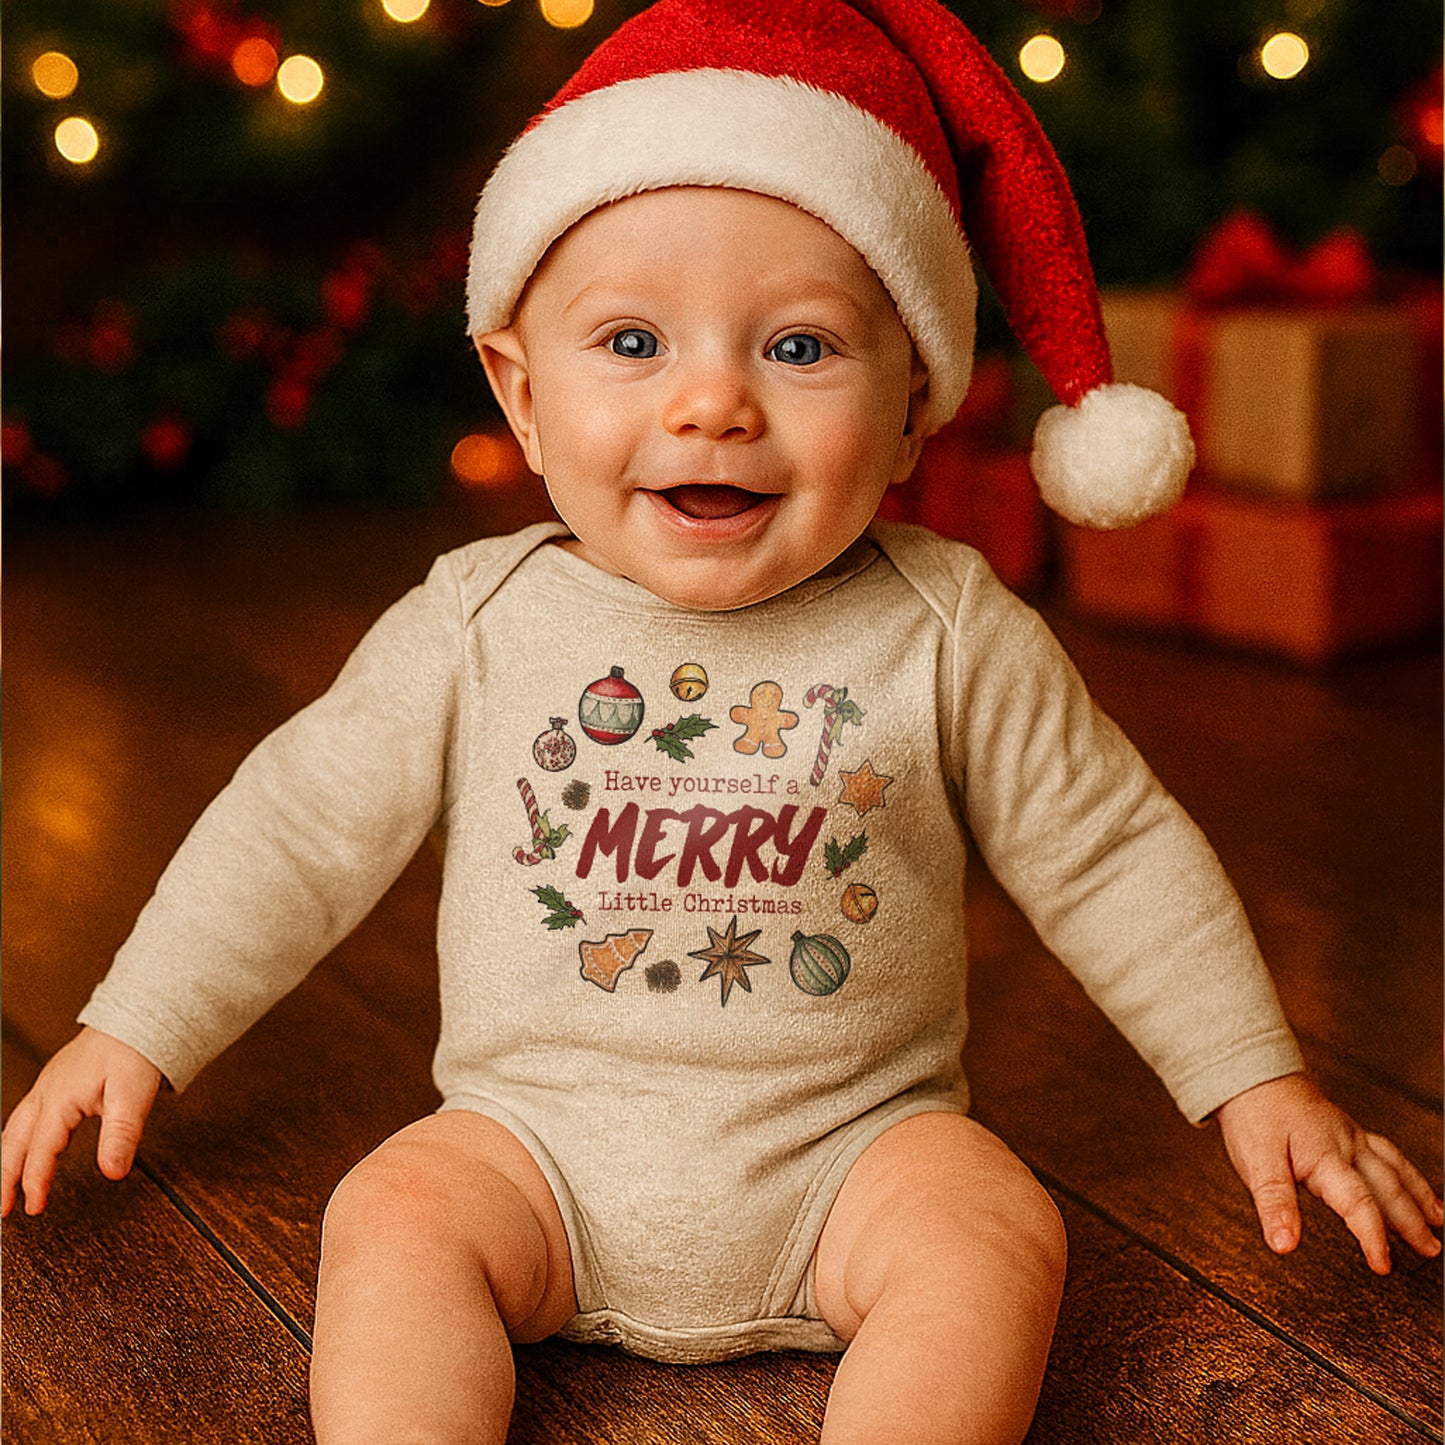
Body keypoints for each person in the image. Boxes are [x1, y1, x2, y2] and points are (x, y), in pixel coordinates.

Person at [3, 1, 1440, 1441]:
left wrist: (1255, 1077)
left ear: (914, 413)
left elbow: (1108, 848)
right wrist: (138, 1020)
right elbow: (298, 823)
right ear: (517, 388)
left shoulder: (944, 627)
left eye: (802, 349)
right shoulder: (476, 619)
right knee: (389, 1215)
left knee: (993, 1229)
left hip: (855, 1158)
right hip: (529, 1154)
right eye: (630, 339)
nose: (711, 403)